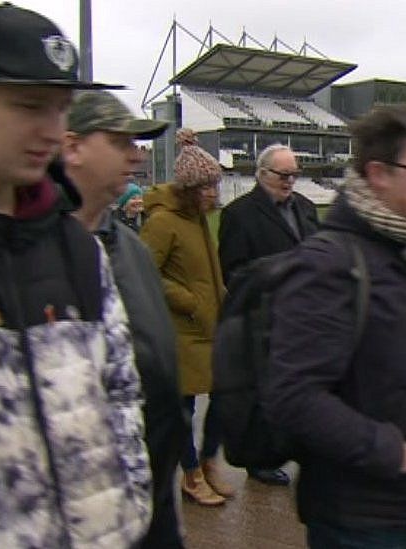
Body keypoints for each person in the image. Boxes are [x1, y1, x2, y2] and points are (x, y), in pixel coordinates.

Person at [263, 104, 406, 548]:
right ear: (379, 173)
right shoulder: (329, 265)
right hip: (367, 524)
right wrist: (393, 452)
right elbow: (291, 396)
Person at [0, 4, 152, 547]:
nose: (53, 131)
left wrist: (130, 512)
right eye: (30, 106)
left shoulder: (78, 250)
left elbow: (123, 394)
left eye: (62, 109)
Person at [58, 89, 188, 548]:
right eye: (121, 142)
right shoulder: (34, 254)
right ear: (72, 147)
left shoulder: (130, 247)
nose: (136, 155)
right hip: (84, 510)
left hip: (152, 487)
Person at [218, 143, 319, 486]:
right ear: (261, 174)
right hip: (264, 319)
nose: (290, 181)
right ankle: (259, 460)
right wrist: (280, 273)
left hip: (305, 318)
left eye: (294, 175)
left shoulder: (305, 208)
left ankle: (304, 447)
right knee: (264, 392)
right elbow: (233, 273)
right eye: (283, 175)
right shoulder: (238, 214)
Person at [141, 129, 231, 506]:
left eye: (215, 185)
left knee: (221, 400)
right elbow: (144, 272)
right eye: (207, 186)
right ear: (191, 187)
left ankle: (205, 464)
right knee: (183, 410)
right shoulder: (163, 222)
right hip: (183, 331)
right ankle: (191, 476)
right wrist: (188, 300)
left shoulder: (196, 219)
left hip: (208, 328)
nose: (213, 193)